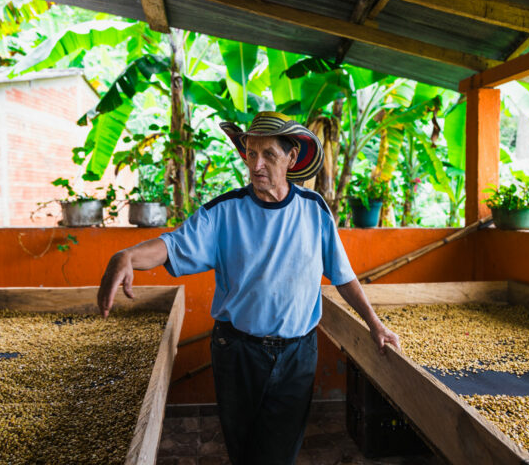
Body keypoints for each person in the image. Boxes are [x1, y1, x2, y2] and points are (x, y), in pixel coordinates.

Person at [97, 111, 401, 465]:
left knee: (279, 453)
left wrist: (374, 324)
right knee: (243, 451)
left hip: (297, 356)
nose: (256, 164)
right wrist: (127, 255)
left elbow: (342, 274)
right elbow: (172, 245)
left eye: (268, 154)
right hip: (237, 352)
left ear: (291, 157)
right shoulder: (224, 212)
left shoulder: (314, 210)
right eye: (251, 153)